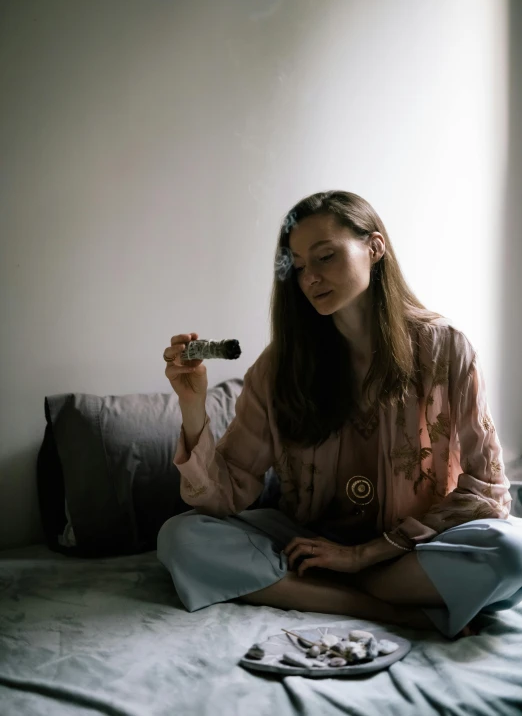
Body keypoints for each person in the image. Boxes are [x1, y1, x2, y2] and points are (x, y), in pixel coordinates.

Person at [157, 190, 522, 638]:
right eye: (299, 266)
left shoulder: (445, 349)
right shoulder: (278, 367)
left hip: (407, 549)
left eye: (325, 256)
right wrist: (191, 404)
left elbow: (487, 489)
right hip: (306, 547)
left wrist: (364, 555)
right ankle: (384, 609)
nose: (310, 277)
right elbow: (224, 496)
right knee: (181, 537)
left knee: (512, 547)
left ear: (374, 247)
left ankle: (329, 588)